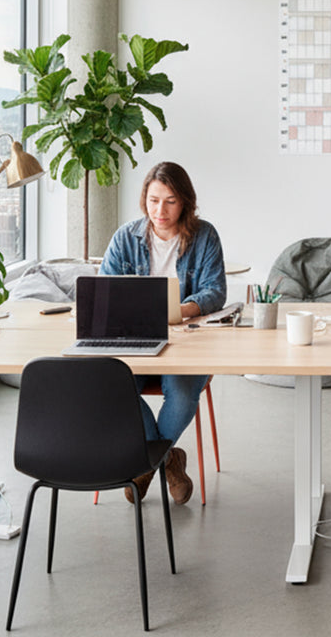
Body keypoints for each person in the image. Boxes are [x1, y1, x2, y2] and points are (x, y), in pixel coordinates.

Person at [100, 161, 226, 505]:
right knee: (111, 387)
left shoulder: (204, 235)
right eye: (154, 200)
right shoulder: (126, 237)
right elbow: (104, 289)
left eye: (170, 201)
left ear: (185, 201)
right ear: (144, 199)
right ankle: (167, 459)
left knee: (184, 395)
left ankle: (144, 466)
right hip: (133, 340)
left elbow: (215, 291)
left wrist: (178, 311)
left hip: (186, 341)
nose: (161, 210)